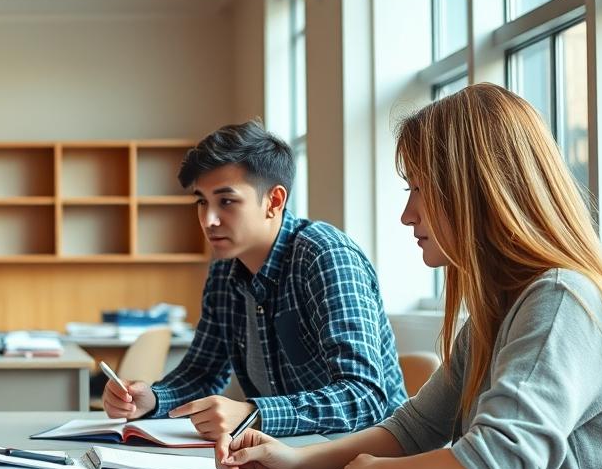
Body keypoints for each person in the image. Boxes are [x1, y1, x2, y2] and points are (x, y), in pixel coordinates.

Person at [217, 84, 602, 469]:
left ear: (476, 189)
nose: (408, 215)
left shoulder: (562, 302)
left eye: (418, 189)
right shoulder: (498, 314)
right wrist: (298, 461)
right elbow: (413, 430)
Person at [102, 121, 405, 438]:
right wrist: (152, 399)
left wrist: (253, 415)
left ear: (274, 201)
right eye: (201, 201)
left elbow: (364, 397)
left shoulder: (325, 256)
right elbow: (202, 372)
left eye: (226, 201)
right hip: (287, 458)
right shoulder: (225, 269)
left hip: (367, 462)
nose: (208, 220)